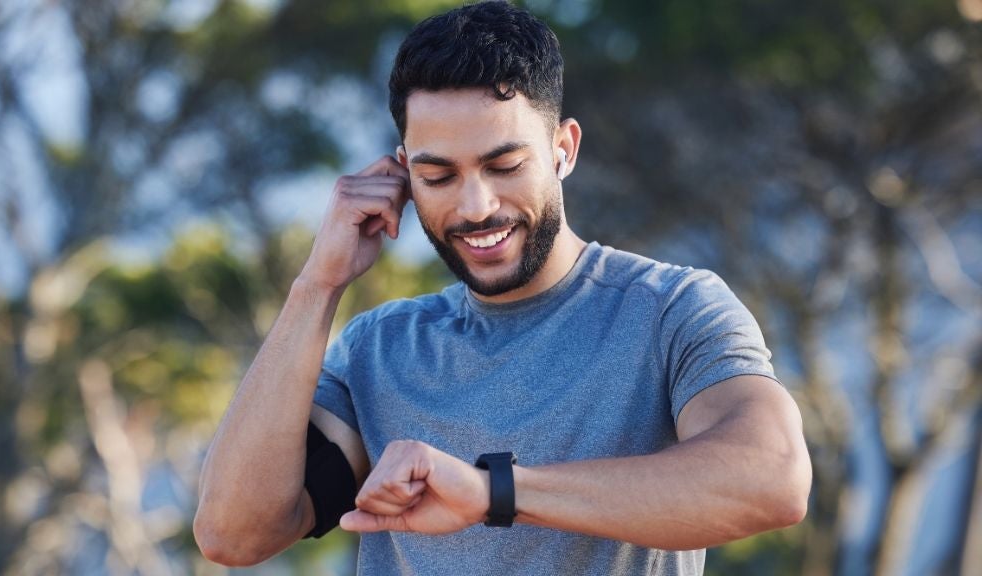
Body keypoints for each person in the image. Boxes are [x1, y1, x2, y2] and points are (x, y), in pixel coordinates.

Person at [193, 2, 812, 574]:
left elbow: (772, 479)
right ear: (404, 173)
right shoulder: (378, 350)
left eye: (505, 166)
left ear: (563, 150)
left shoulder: (671, 312)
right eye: (438, 175)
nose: (476, 206)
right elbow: (234, 533)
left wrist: (495, 493)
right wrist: (317, 284)